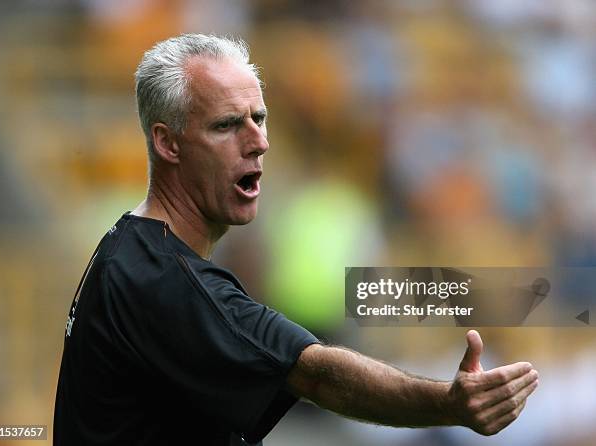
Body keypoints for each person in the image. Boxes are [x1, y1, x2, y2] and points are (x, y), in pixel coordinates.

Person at [53, 34, 539, 446]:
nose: (258, 141)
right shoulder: (161, 278)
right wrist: (447, 403)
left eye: (258, 119)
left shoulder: (130, 248)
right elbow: (316, 373)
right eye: (226, 125)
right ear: (167, 143)